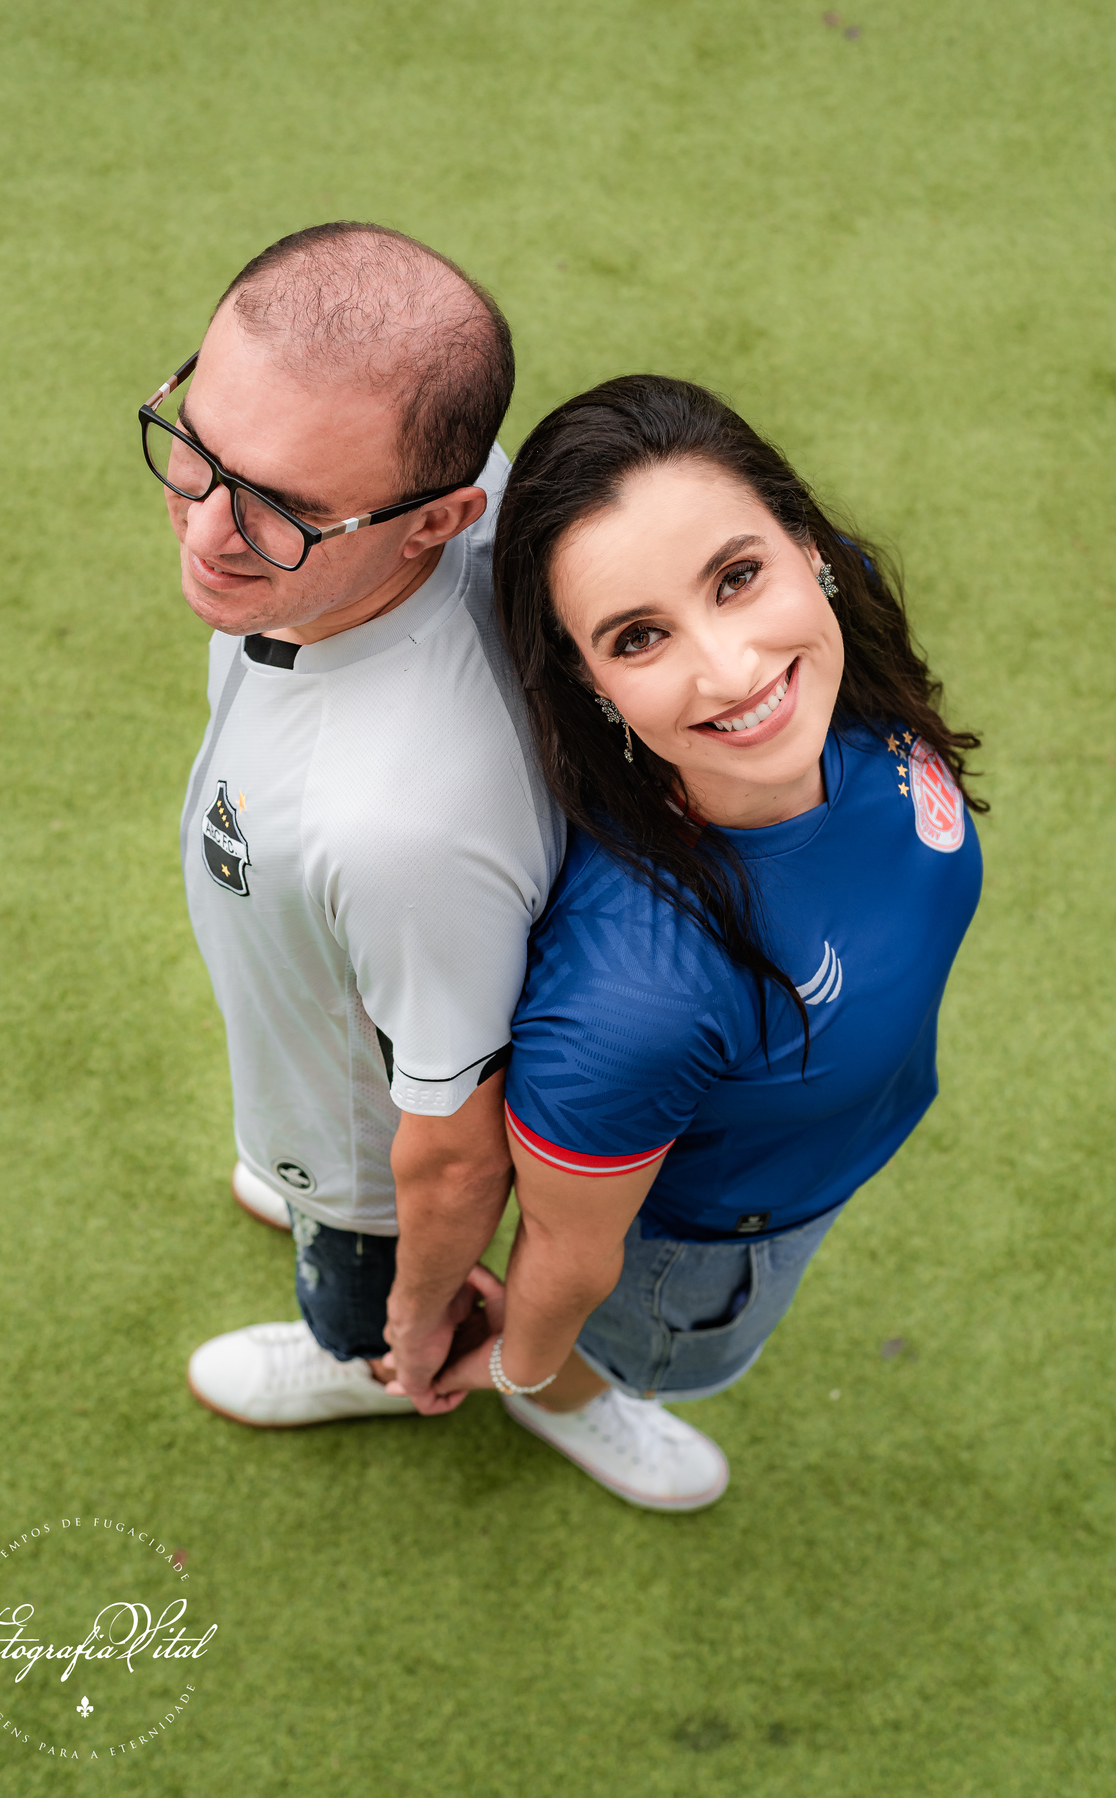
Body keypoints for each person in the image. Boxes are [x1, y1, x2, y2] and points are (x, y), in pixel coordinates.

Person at [407, 375, 984, 1511]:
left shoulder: (843, 638)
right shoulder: (638, 998)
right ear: (592, 681)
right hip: (709, 1242)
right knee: (638, 1351)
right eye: (639, 636)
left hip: (826, 1151)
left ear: (807, 543)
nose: (731, 671)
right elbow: (572, 1257)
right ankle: (569, 1405)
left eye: (738, 576)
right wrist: (523, 1360)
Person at [138, 223, 563, 1425]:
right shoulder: (412, 505)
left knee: (357, 1290)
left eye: (284, 508)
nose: (209, 530)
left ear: (441, 515)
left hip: (374, 1153)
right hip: (334, 1021)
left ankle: (358, 1360)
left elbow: (455, 1150)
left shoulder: (403, 827)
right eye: (200, 450)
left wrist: (419, 1304)